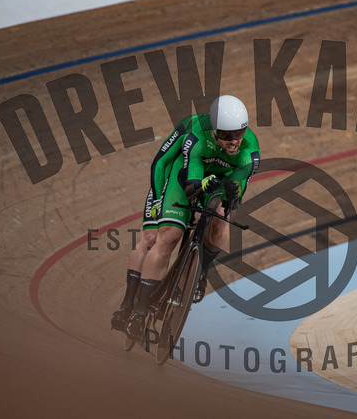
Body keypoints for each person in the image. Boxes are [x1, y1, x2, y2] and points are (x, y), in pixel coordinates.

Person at [111, 95, 260, 339]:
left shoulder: (250, 150)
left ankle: (201, 273)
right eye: (226, 135)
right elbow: (166, 165)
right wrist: (157, 199)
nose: (234, 141)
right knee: (162, 238)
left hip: (218, 181)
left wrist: (235, 191)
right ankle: (134, 308)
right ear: (214, 130)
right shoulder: (195, 134)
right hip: (182, 177)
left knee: (220, 221)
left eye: (239, 133)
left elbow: (238, 185)